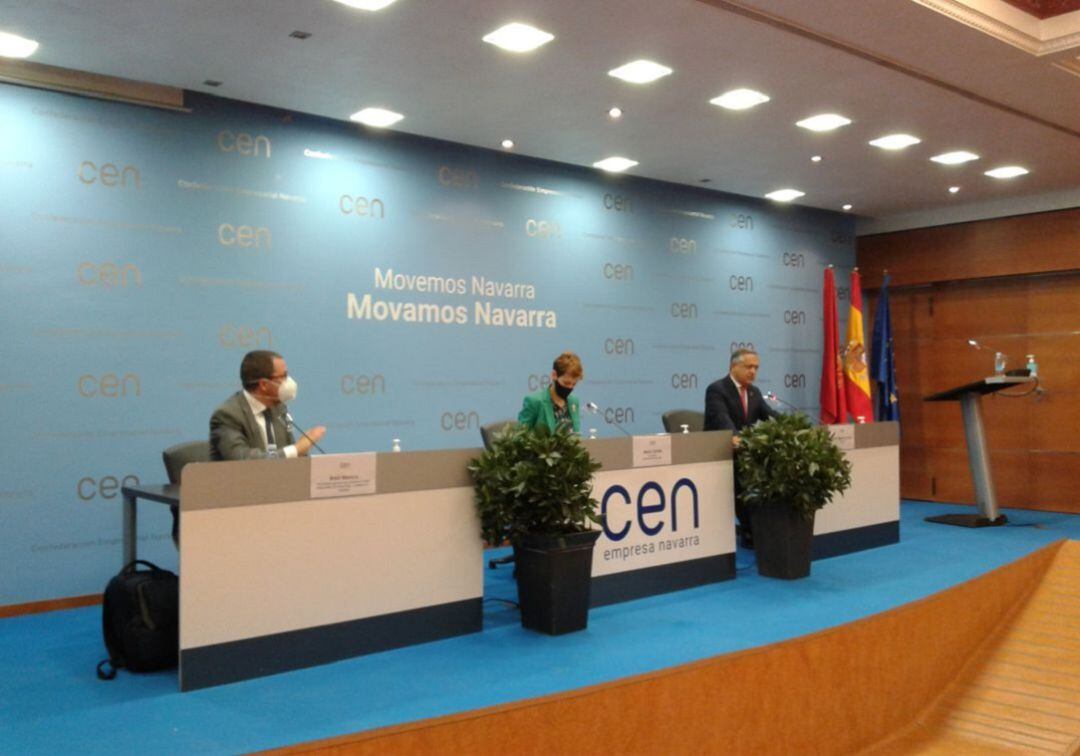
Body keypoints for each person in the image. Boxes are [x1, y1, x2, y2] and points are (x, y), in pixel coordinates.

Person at [704, 348, 778, 547]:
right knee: (744, 481)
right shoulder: (717, 389)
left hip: (745, 452)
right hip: (719, 455)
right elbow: (723, 422)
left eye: (756, 368)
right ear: (734, 366)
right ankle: (749, 531)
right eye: (749, 367)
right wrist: (738, 439)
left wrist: (796, 427)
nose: (753, 372)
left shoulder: (754, 392)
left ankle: (761, 529)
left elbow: (770, 415)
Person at [210, 350, 326, 461]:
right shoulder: (227, 415)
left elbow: (292, 457)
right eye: (283, 376)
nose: (289, 381)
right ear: (264, 384)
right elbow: (242, 460)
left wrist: (300, 452)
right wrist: (296, 449)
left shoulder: (280, 409)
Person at [518, 351, 583, 433]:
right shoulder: (534, 401)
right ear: (554, 375)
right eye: (566, 383)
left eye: (574, 384)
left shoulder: (574, 401)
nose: (570, 387)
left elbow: (576, 435)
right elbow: (519, 437)